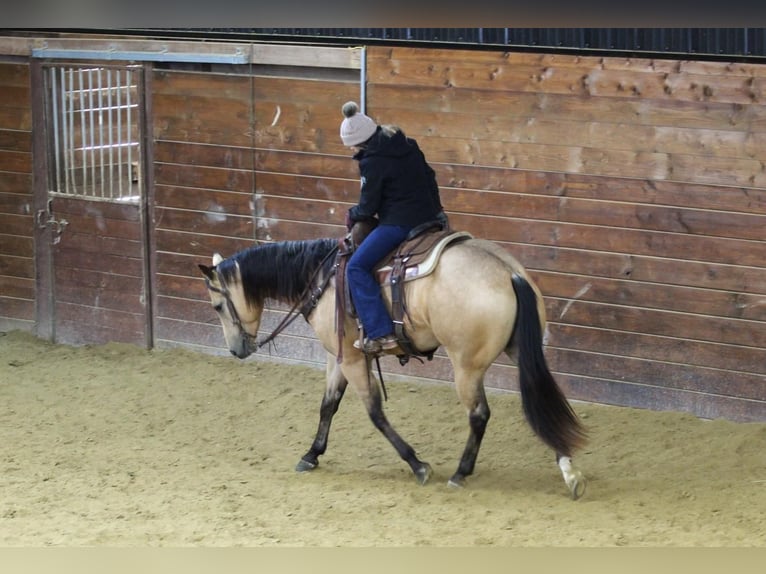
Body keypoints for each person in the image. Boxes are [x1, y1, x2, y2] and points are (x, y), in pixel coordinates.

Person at [339, 101, 448, 354]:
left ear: (361, 141)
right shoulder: (408, 145)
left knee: (357, 267)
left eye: (352, 145)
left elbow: (367, 207)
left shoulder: (372, 162)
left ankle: (380, 334)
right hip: (431, 217)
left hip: (400, 223)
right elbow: (430, 177)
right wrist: (437, 211)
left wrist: (352, 213)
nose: (352, 150)